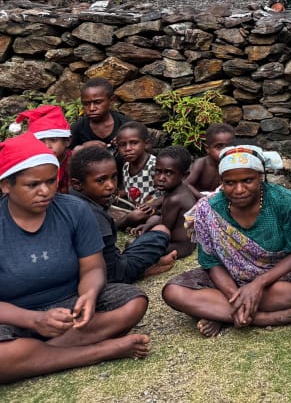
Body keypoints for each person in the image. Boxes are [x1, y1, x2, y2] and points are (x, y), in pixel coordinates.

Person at [0, 131, 150, 382]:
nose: (45, 191)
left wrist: (88, 296)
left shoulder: (74, 209)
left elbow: (93, 268)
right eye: (33, 185)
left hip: (70, 308)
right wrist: (35, 320)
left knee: (133, 302)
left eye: (51, 181)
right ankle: (97, 352)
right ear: (6, 185)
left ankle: (31, 356)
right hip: (14, 316)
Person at [162, 145, 291, 337]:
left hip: (275, 275)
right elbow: (211, 262)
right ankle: (263, 318)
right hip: (228, 277)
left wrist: (257, 284)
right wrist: (236, 296)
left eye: (248, 180)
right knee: (173, 291)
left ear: (260, 177)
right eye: (230, 183)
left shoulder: (285, 202)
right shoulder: (208, 210)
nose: (239, 189)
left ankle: (219, 313)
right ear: (221, 181)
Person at [68, 146, 177, 283]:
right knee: (162, 230)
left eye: (114, 177)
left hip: (83, 270)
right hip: (110, 274)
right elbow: (112, 273)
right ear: (77, 184)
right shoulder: (93, 216)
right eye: (101, 180)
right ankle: (145, 269)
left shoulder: (67, 197)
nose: (111, 186)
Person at [130, 146, 198, 259]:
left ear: (184, 176)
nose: (161, 178)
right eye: (158, 171)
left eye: (169, 173)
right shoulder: (175, 190)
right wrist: (148, 225)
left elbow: (164, 230)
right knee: (153, 219)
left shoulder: (175, 198)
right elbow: (166, 219)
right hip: (185, 244)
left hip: (178, 247)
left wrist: (146, 235)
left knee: (132, 246)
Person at [10, 104, 73, 193]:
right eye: (41, 141)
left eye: (53, 140)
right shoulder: (29, 162)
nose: (47, 146)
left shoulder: (74, 161)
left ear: (67, 141)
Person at [70, 79, 130, 151]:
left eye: (97, 102)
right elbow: (64, 154)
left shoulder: (125, 125)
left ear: (111, 100)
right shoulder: (78, 128)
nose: (92, 108)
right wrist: (82, 148)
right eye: (86, 104)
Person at [115, 122, 159, 208]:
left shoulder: (154, 165)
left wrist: (152, 204)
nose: (128, 148)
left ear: (146, 144)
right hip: (135, 209)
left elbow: (166, 193)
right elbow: (134, 188)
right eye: (122, 145)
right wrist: (120, 194)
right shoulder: (126, 167)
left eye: (134, 143)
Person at [185, 123, 234, 198]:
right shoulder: (201, 163)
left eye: (229, 147)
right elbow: (186, 184)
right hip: (198, 198)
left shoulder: (233, 164)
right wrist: (203, 198)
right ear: (207, 148)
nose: (224, 151)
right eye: (219, 147)